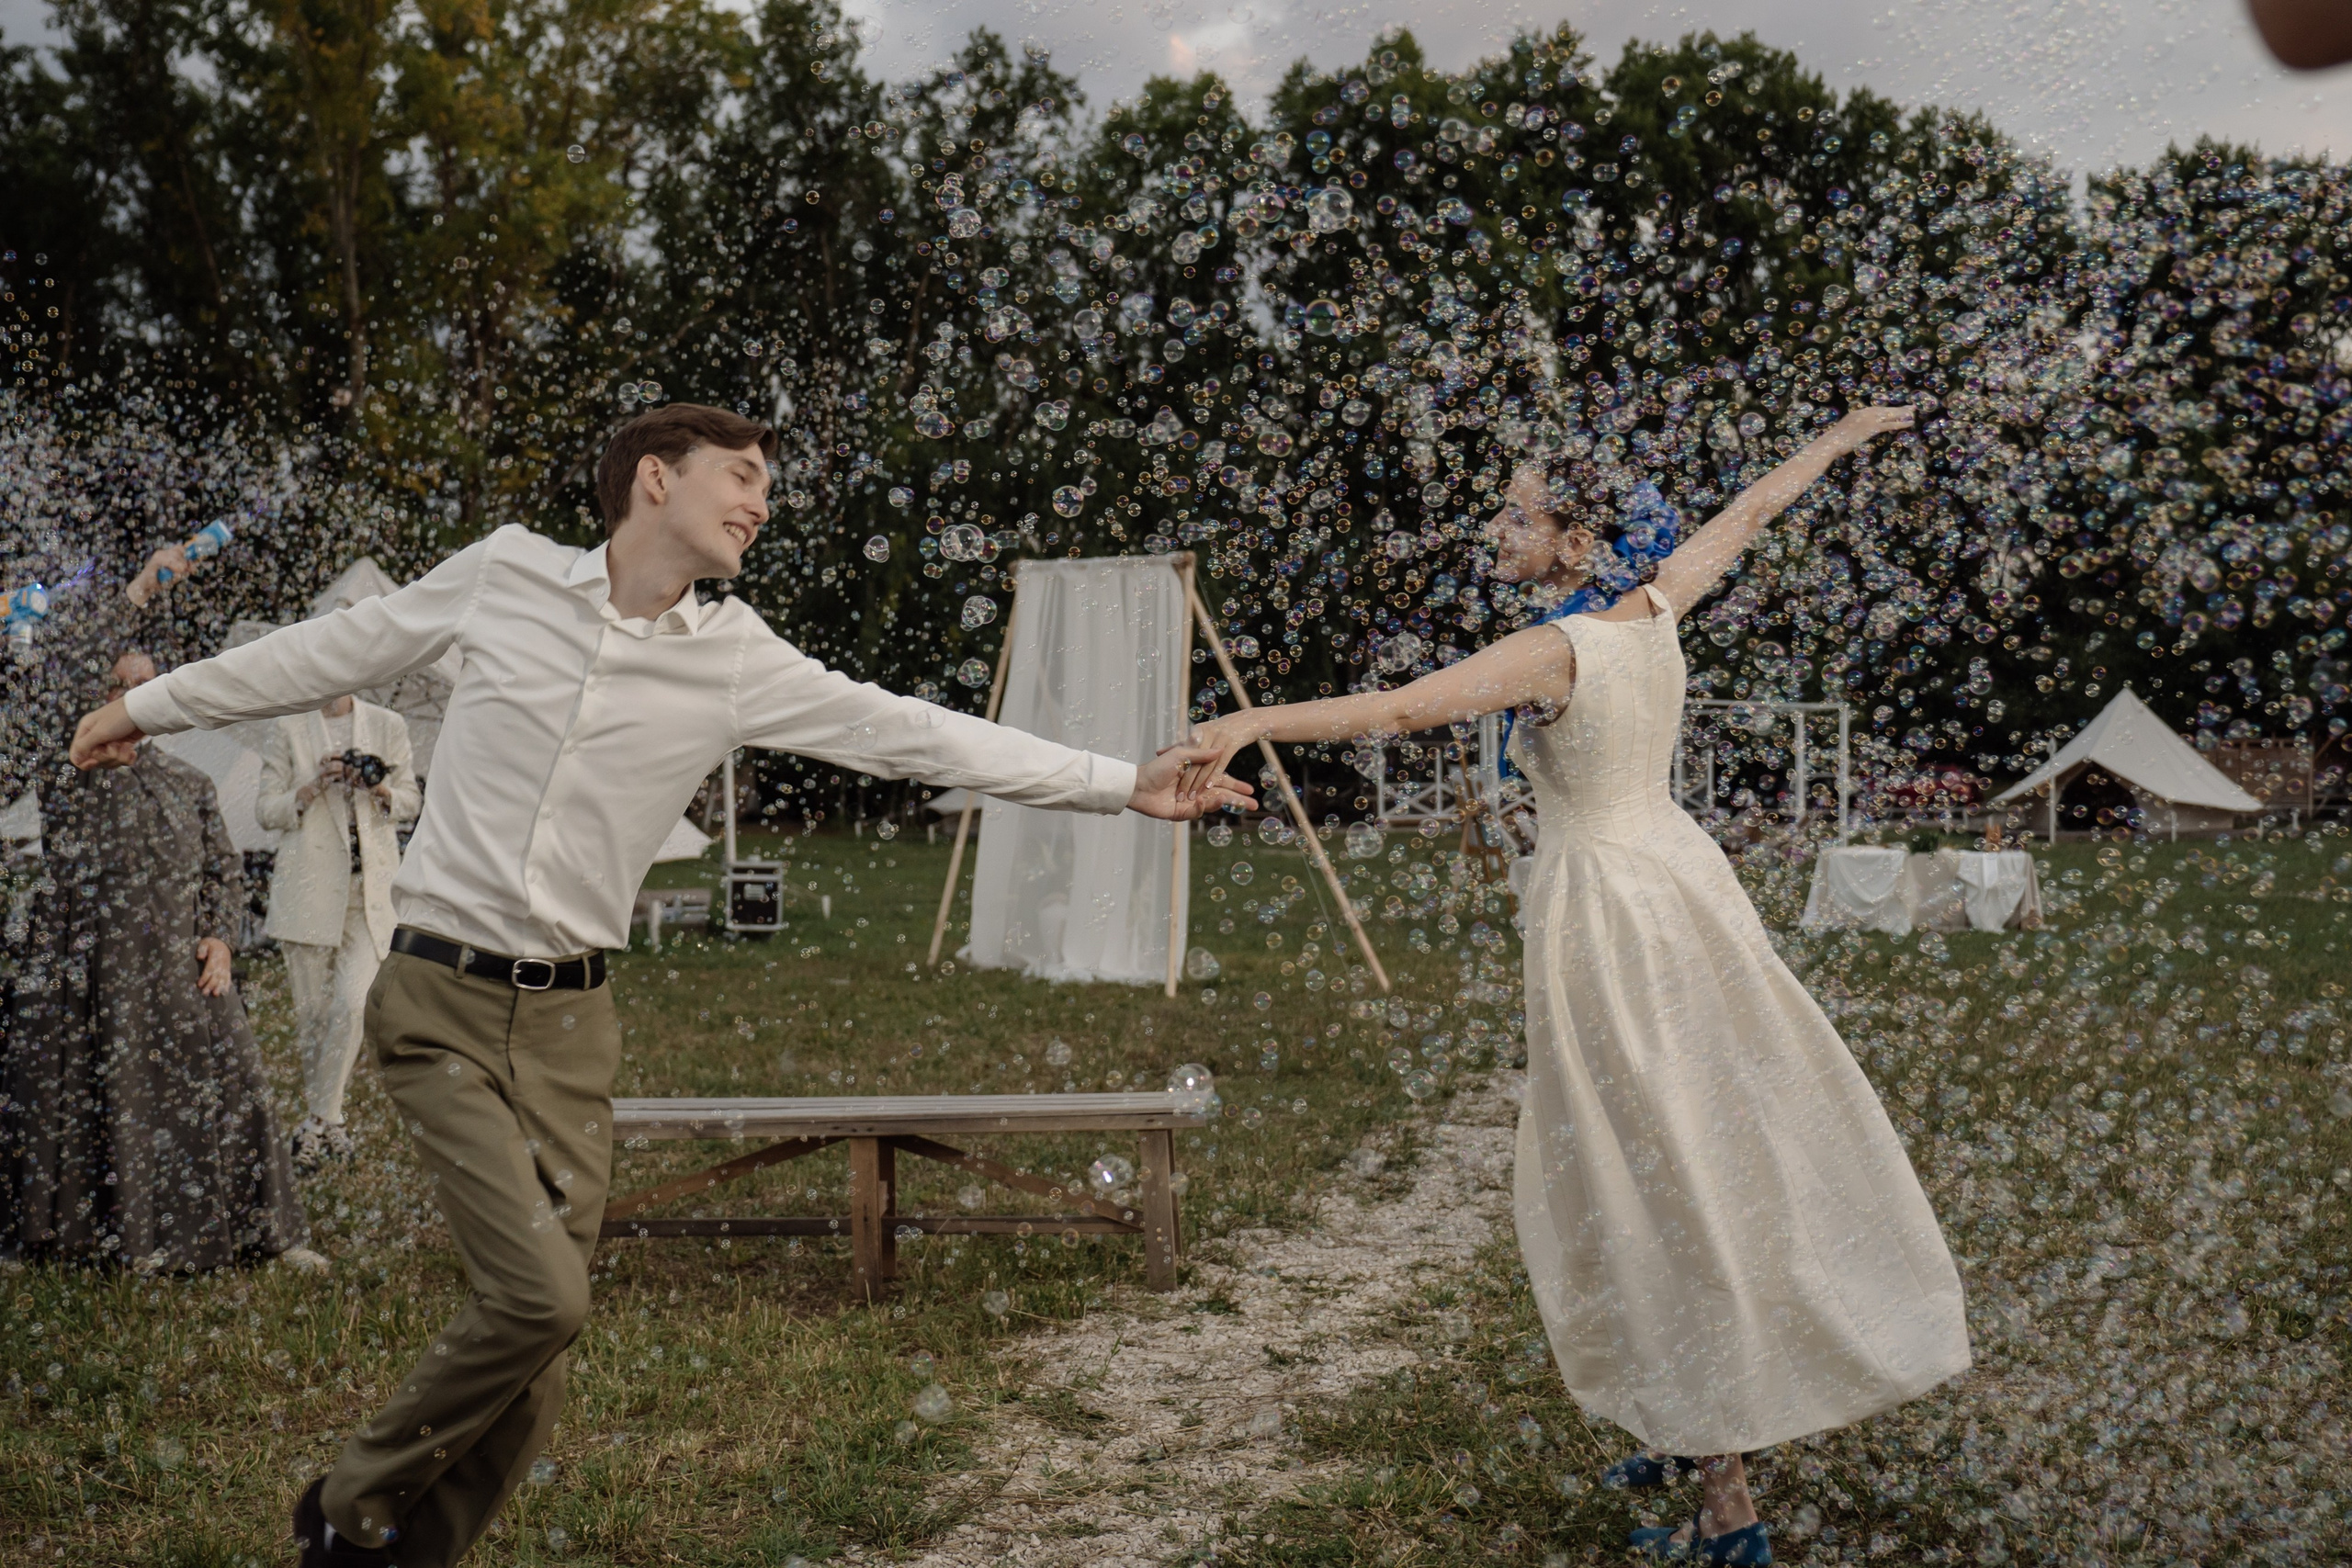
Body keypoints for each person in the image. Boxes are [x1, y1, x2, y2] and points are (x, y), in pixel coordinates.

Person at [66, 401, 1254, 1568]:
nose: (758, 504)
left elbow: (913, 733)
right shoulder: (503, 575)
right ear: (653, 477)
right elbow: (319, 654)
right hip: (438, 1000)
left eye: (766, 489)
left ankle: (396, 1550)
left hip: (574, 1026)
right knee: (538, 1300)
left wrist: (1118, 783)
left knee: (534, 1355)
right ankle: (348, 1505)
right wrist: (139, 705)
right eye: (739, 475)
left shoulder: (736, 658)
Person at [1178, 406, 1970, 1565]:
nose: (1496, 525)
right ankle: (1682, 1414)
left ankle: (1726, 1500)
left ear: (1577, 537)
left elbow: (1399, 710)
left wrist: (1246, 717)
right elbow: (1750, 511)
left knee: (1649, 1168)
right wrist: (1842, 435)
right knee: (1694, 1138)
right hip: (1681, 887)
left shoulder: (1554, 651)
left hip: (1607, 911)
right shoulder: (1659, 604)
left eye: (1518, 511)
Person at [2, 647, 314, 1274]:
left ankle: (267, 1231)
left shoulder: (190, 782)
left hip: (181, 968)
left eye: (144, 687)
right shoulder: (67, 778)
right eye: (121, 687)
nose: (132, 699)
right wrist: (83, 761)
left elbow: (224, 871)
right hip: (92, 975)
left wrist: (221, 937)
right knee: (81, 1095)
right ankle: (70, 1235)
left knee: (240, 1083)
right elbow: (59, 848)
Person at [256, 693, 421, 1168]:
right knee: (313, 1019)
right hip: (307, 891)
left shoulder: (388, 724)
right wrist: (310, 788)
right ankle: (326, 1122)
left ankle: (319, 1120)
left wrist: (378, 788)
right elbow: (266, 810)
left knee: (351, 1005)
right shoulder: (288, 727)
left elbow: (412, 799)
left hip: (367, 893)